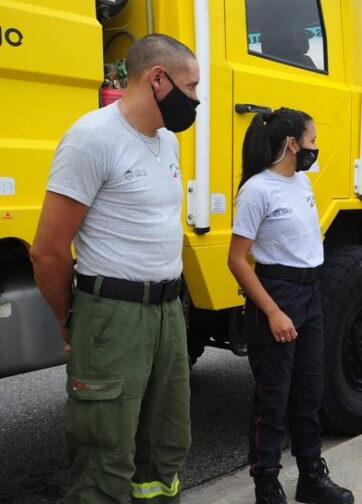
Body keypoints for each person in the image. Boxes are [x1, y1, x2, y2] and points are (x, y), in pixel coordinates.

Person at [30, 34, 199, 502]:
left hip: (168, 311)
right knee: (104, 455)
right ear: (157, 79)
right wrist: (75, 320)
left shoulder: (167, 143)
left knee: (165, 448)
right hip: (113, 314)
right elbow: (47, 250)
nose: (197, 100)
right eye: (191, 87)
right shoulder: (92, 138)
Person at [228, 108, 353, 504]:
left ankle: (312, 476)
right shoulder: (257, 190)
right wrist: (272, 312)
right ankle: (266, 483)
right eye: (312, 140)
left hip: (310, 293)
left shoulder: (300, 182)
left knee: (308, 392)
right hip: (278, 294)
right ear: (292, 144)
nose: (316, 148)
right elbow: (236, 260)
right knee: (273, 399)